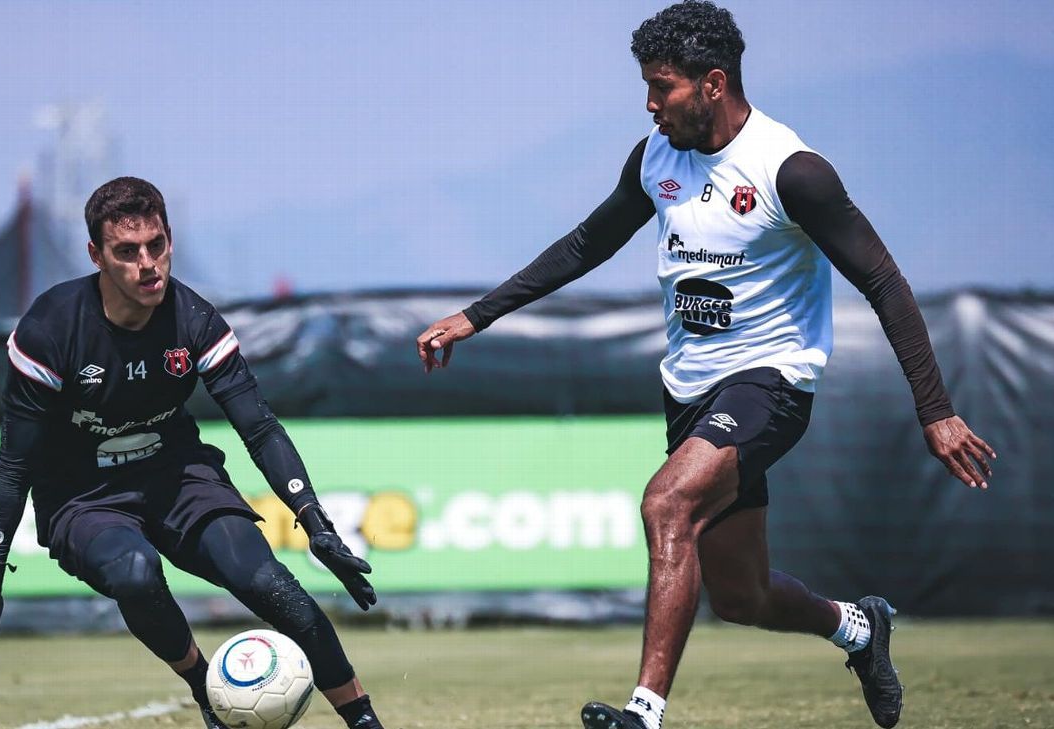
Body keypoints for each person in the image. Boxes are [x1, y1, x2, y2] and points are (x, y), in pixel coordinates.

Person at [415, 3, 995, 728]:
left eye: (663, 87)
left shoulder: (791, 170)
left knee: (666, 503)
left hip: (769, 381)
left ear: (713, 84)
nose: (651, 105)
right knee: (742, 596)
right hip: (689, 386)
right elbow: (585, 243)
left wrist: (935, 409)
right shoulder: (655, 156)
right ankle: (857, 627)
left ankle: (644, 713)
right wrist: (477, 315)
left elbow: (884, 282)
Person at [0, 176, 385, 729]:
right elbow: (14, 466)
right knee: (135, 573)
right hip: (83, 496)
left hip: (178, 475)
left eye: (157, 245)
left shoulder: (196, 320)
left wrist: (316, 522)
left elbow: (259, 428)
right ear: (97, 256)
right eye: (127, 251)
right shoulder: (48, 331)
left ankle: (365, 721)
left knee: (269, 584)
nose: (147, 264)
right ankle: (205, 688)